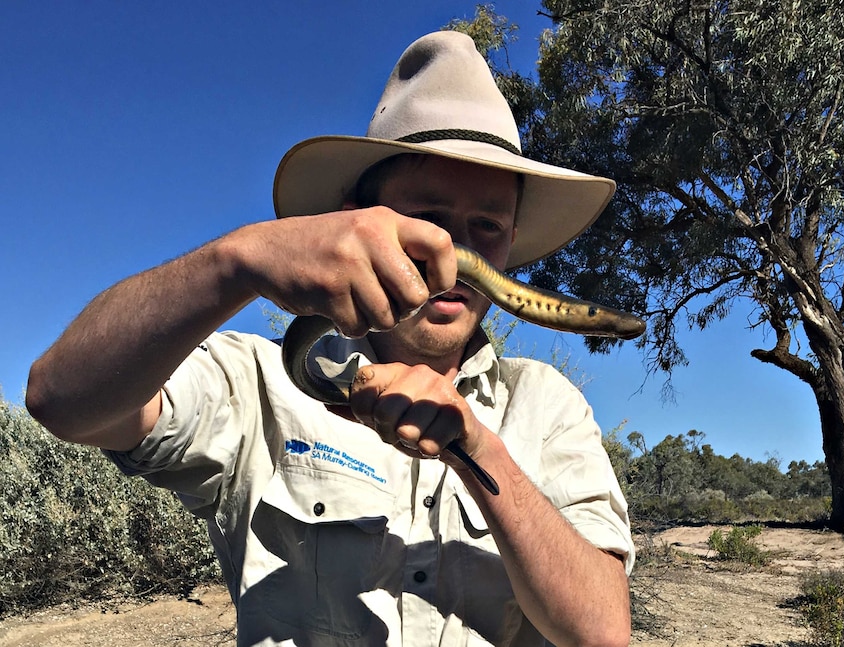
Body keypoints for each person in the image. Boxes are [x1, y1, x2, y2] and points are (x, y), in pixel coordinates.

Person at [26, 31, 635, 647]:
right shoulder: (257, 384)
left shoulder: (546, 405)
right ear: (355, 217)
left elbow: (602, 633)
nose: (452, 253)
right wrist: (237, 260)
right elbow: (60, 398)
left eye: (487, 226)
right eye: (426, 218)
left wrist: (478, 450)